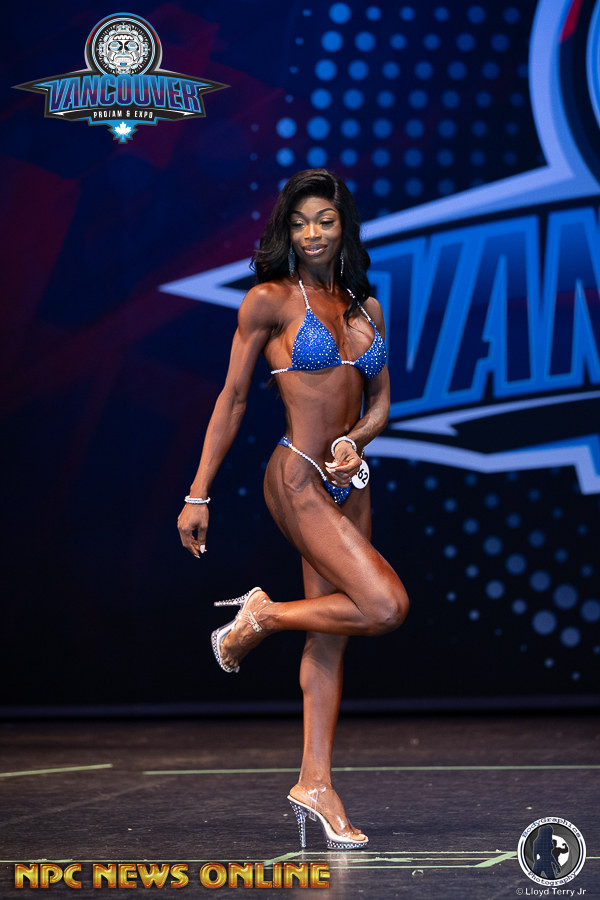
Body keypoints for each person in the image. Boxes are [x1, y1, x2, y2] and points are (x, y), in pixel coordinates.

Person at [177, 169, 409, 850]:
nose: (312, 234)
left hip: (349, 480)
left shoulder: (366, 307)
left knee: (332, 635)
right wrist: (198, 492)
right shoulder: (270, 301)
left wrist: (356, 440)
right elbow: (233, 399)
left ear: (344, 227)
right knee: (385, 606)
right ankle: (264, 615)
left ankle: (316, 783)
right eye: (301, 222)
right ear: (287, 229)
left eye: (325, 221)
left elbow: (382, 404)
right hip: (297, 476)